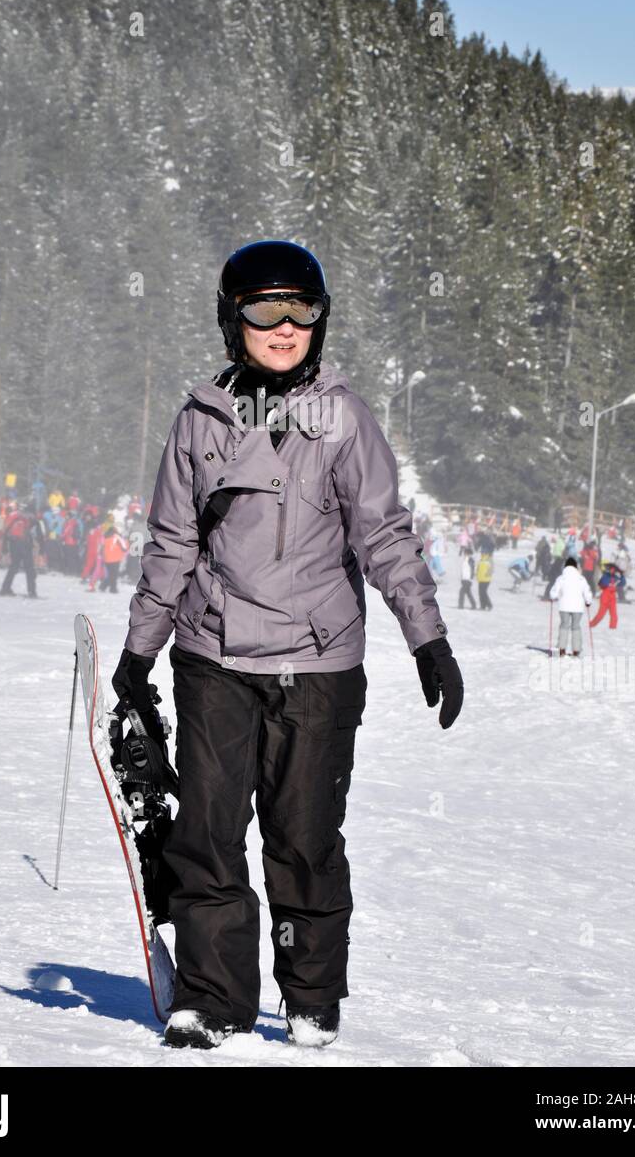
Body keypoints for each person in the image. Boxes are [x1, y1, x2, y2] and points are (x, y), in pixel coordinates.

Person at [112, 240, 464, 1051]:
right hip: (214, 657)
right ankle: (211, 996)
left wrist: (427, 638)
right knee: (204, 833)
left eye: (299, 309)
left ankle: (310, 996)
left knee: (302, 839)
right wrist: (139, 650)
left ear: (320, 321)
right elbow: (172, 542)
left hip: (316, 662)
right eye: (263, 309)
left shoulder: (344, 419)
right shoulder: (200, 419)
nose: (282, 326)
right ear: (231, 320)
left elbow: (383, 533)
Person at [0, 501, 45, 597]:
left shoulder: (16, 516)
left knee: (13, 567)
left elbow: (6, 532)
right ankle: (32, 591)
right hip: (26, 545)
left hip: (14, 544)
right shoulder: (33, 519)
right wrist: (42, 549)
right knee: (29, 569)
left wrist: (4, 547)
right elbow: (39, 535)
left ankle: (5, 588)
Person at [548, 557, 593, 656]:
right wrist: (588, 601)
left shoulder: (561, 578)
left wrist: (552, 596)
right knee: (576, 626)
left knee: (564, 625)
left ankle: (561, 649)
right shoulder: (581, 579)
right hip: (578, 608)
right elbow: (587, 592)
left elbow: (554, 592)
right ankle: (576, 650)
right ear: (576, 567)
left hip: (564, 606)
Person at [590, 562, 625, 630]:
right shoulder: (605, 576)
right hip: (605, 596)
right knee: (601, 615)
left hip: (612, 597)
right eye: (611, 569)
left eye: (614, 570)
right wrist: (609, 579)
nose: (612, 571)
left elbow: (622, 583)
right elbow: (602, 583)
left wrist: (622, 575)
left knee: (614, 615)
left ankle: (613, 628)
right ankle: (591, 624)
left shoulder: (616, 577)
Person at [100, 524, 129, 593]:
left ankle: (104, 586)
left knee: (111, 574)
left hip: (107, 558)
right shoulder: (117, 538)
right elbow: (124, 548)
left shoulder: (105, 537)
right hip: (115, 558)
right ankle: (112, 589)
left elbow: (102, 548)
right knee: (114, 574)